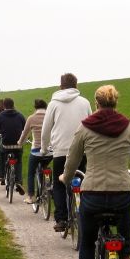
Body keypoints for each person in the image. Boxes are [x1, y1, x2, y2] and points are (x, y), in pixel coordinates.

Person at [60, 85, 130, 259]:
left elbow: (72, 160)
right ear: (116, 102)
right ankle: (125, 254)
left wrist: (65, 178)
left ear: (96, 104)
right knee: (125, 208)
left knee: (87, 243)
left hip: (93, 195)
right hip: (121, 192)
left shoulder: (85, 128)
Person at [41, 73, 92, 232]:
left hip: (60, 151)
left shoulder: (53, 104)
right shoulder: (85, 102)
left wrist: (44, 149)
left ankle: (62, 218)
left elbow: (46, 130)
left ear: (61, 85)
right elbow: (91, 125)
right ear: (76, 85)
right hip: (82, 151)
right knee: (83, 182)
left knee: (59, 184)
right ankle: (86, 217)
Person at [17, 99, 49, 204]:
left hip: (36, 151)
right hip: (50, 151)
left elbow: (24, 134)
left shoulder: (31, 118)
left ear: (35, 108)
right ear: (46, 107)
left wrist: (20, 143)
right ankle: (48, 188)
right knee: (45, 167)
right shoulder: (50, 117)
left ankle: (31, 197)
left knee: (31, 172)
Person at [0, 98, 26, 195]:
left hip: (6, 145)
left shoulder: (0, 116)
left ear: (4, 106)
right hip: (18, 145)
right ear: (13, 104)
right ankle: (18, 181)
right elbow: (25, 128)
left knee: (1, 153)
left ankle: (1, 174)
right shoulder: (20, 116)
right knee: (18, 161)